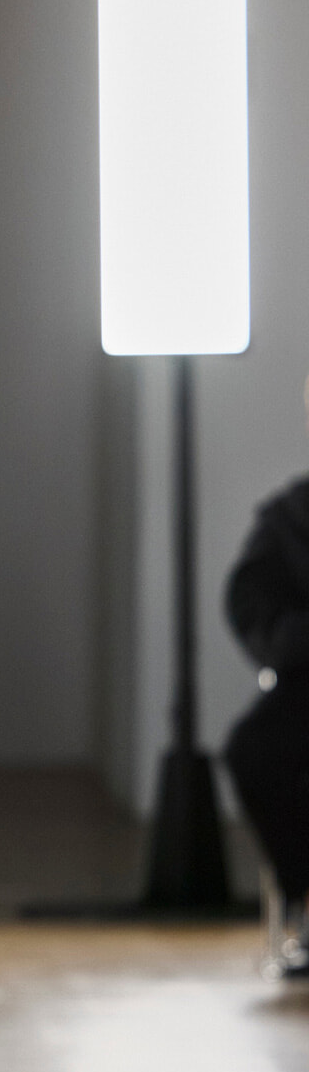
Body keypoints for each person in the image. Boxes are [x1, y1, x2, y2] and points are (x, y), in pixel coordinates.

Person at [224, 379, 309, 975]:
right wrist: (292, 638)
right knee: (255, 751)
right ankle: (305, 896)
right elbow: (250, 595)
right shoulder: (294, 514)